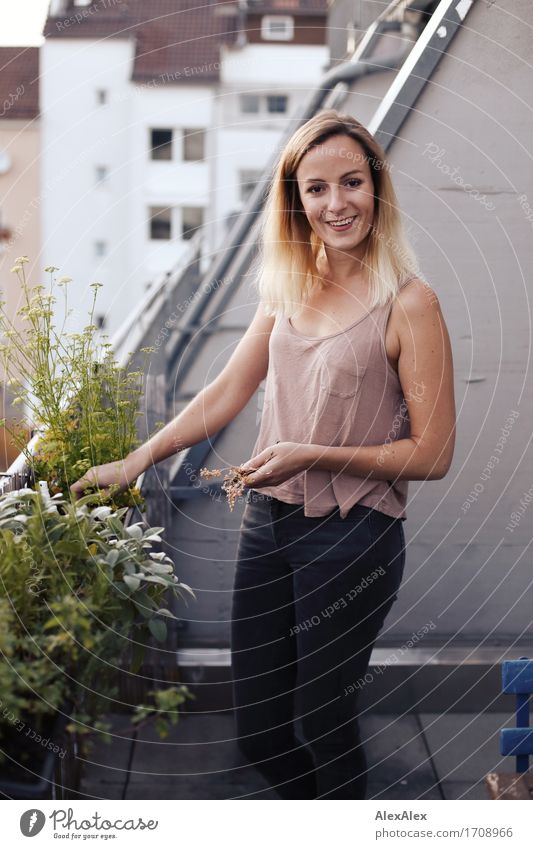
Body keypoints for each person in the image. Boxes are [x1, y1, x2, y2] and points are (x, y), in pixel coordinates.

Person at [70, 109, 456, 800]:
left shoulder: (410, 301)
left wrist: (312, 453)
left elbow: (432, 453)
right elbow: (226, 389)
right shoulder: (290, 285)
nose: (335, 203)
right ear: (295, 201)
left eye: (350, 183)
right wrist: (135, 462)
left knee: (323, 721)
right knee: (258, 731)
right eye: (315, 189)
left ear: (377, 188)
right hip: (267, 525)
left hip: (352, 537)